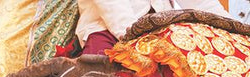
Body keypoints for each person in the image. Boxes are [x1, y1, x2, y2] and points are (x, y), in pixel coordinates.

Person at [76, 0, 231, 55]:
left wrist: (233, 28)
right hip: (108, 27)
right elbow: (113, 7)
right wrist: (135, 38)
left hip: (160, 29)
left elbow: (202, 3)